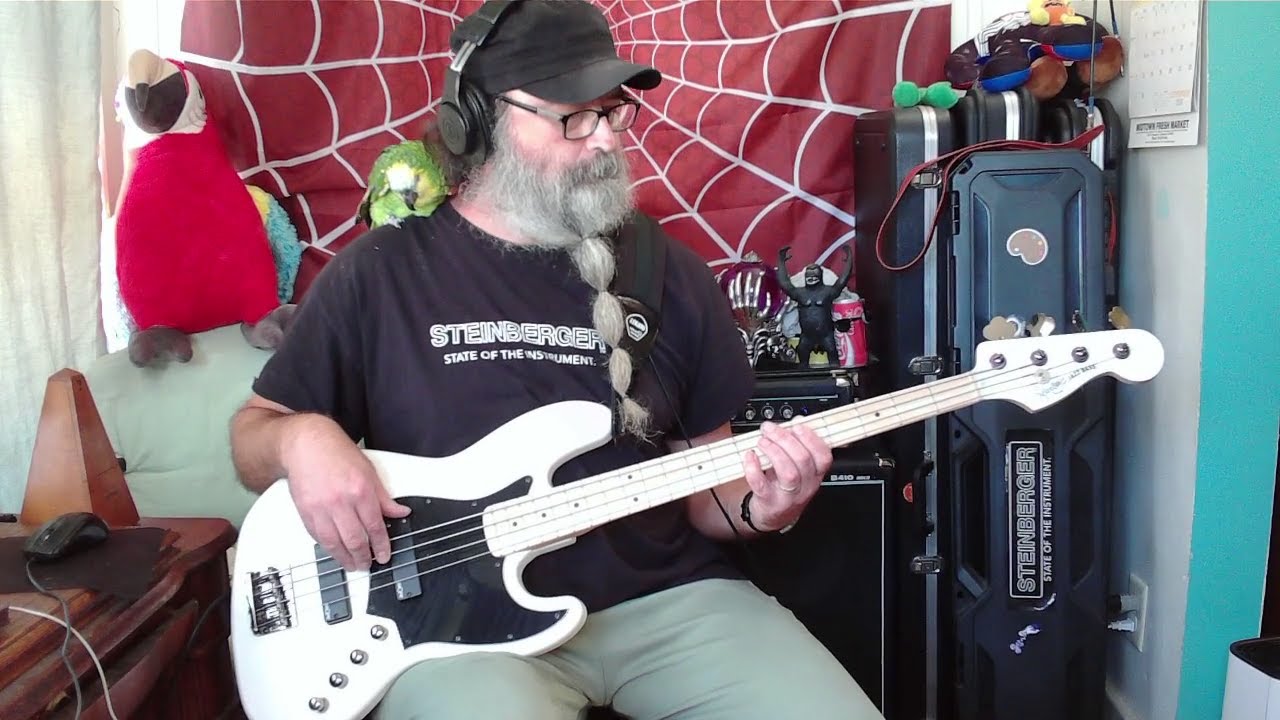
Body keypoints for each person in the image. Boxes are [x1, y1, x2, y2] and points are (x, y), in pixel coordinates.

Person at [228, 1, 884, 718]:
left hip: (667, 603)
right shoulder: (381, 273)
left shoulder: (668, 271)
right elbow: (254, 435)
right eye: (573, 116)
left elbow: (711, 496)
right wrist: (301, 439)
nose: (604, 138)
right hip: (457, 632)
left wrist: (770, 506)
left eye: (613, 111)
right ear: (478, 121)